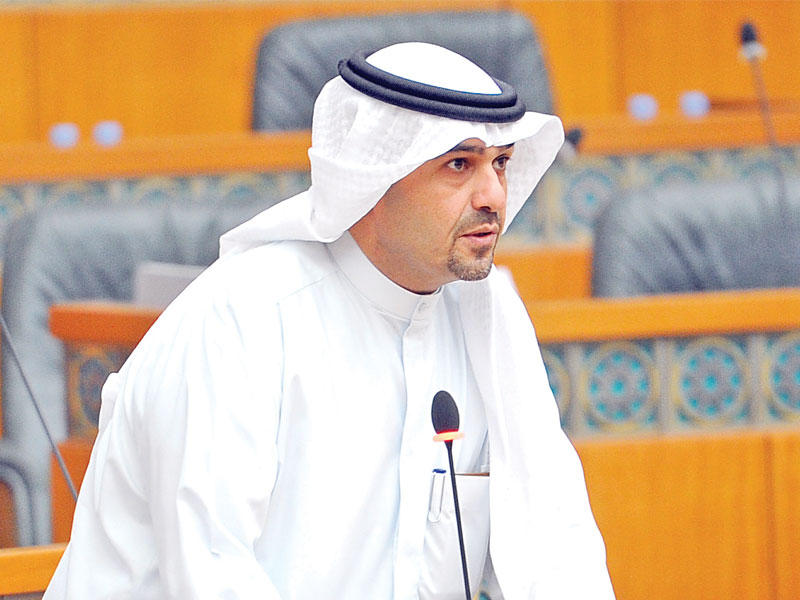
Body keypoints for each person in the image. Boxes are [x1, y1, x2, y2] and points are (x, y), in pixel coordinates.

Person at [44, 42, 615, 599]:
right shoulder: (242, 319)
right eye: (459, 164)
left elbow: (557, 545)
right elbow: (211, 575)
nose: (493, 195)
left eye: (501, 163)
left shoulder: (488, 316)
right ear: (375, 177)